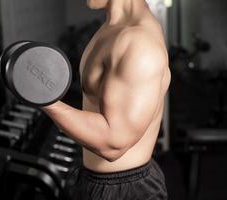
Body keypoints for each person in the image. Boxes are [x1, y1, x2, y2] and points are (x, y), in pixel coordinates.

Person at [42, 0, 171, 199]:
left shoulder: (138, 41)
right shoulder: (111, 28)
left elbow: (114, 143)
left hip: (126, 190)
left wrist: (45, 101)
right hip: (93, 180)